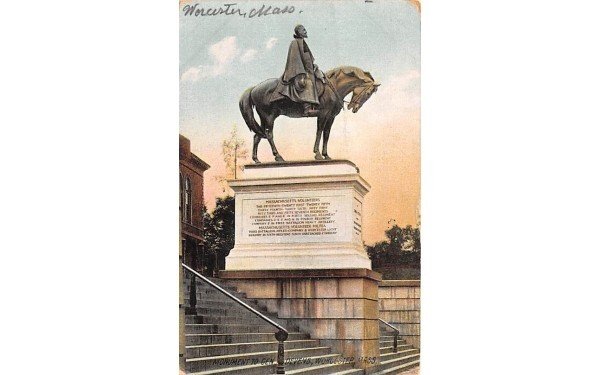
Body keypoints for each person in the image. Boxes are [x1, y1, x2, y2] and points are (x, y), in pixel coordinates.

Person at [279, 25, 325, 116]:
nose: (305, 31)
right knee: (307, 83)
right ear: (298, 32)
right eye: (303, 30)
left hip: (309, 70)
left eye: (305, 29)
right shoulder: (294, 43)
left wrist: (313, 66)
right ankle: (307, 109)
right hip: (299, 72)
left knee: (321, 77)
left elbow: (307, 59)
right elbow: (294, 60)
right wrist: (301, 73)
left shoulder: (303, 42)